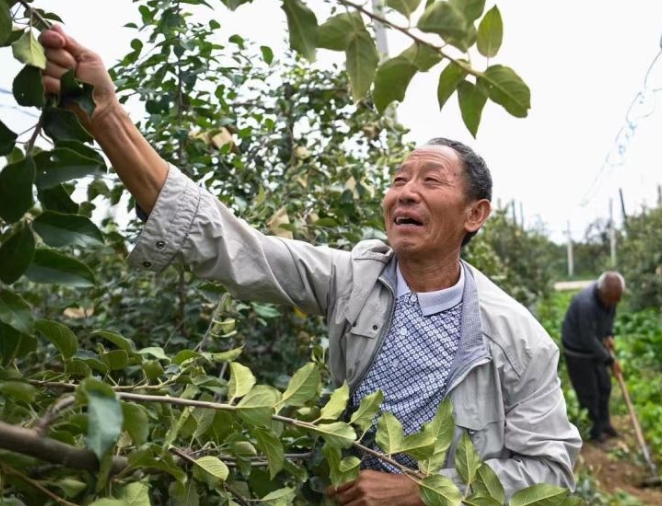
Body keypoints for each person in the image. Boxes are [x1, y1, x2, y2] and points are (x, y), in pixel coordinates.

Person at [38, 25, 581, 505]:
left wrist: (426, 492)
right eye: (398, 180)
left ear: (475, 214)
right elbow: (232, 246)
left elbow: (550, 472)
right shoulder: (353, 279)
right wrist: (107, 117)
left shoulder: (517, 341)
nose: (406, 193)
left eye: (430, 181)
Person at [561, 271, 625, 446]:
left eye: (617, 300)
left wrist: (609, 334)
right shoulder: (586, 304)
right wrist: (610, 361)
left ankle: (605, 424)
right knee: (589, 394)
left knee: (605, 386)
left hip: (594, 348)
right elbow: (587, 339)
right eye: (611, 300)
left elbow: (609, 318)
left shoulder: (610, 299)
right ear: (601, 292)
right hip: (578, 351)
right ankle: (594, 432)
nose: (614, 303)